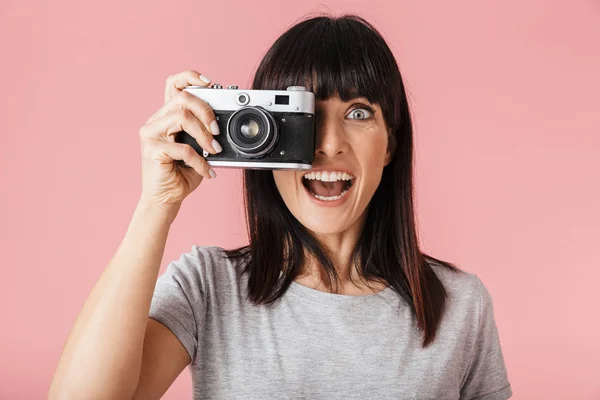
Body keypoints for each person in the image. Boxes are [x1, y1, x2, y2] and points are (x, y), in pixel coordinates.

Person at [49, 14, 512, 400]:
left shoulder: (460, 304)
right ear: (260, 140)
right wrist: (157, 203)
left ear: (390, 144)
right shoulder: (208, 287)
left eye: (358, 112)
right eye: (303, 115)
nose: (328, 145)